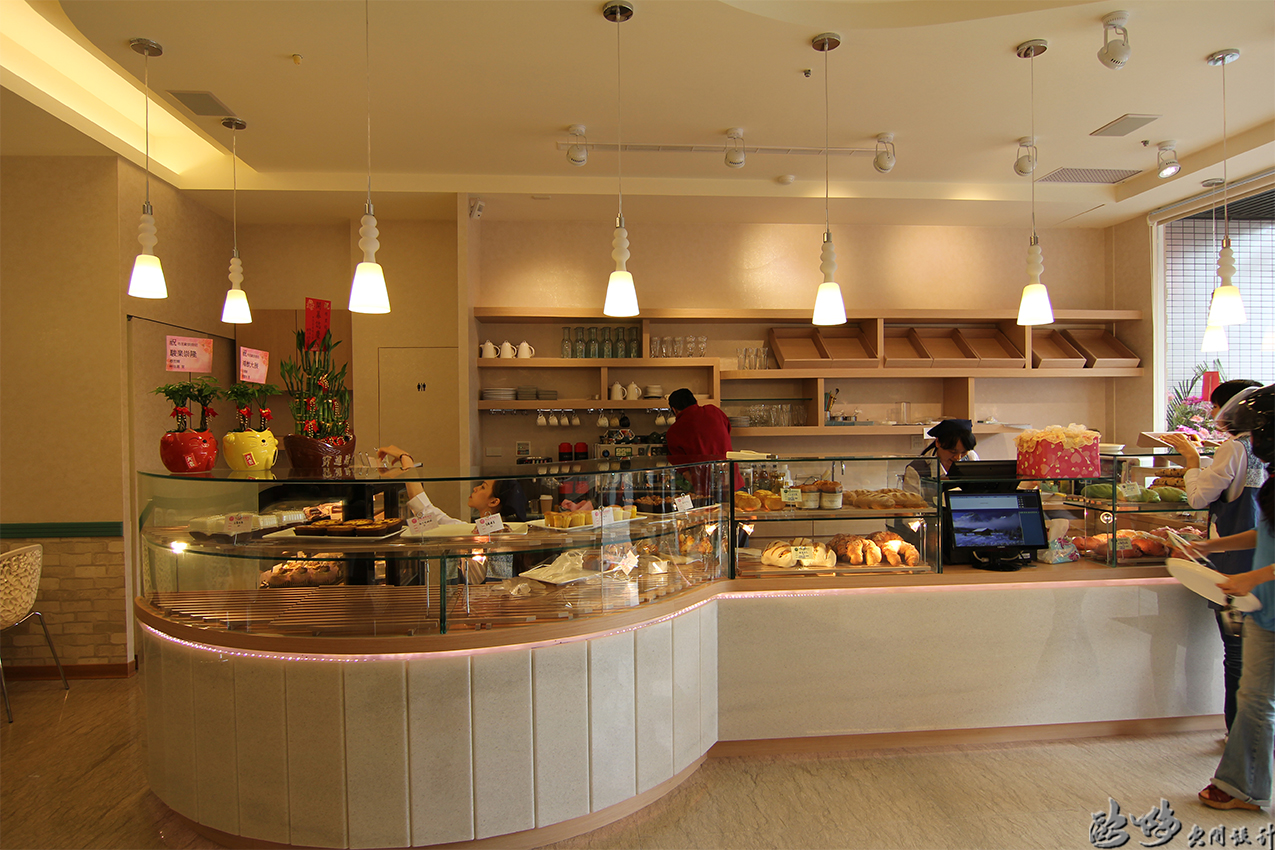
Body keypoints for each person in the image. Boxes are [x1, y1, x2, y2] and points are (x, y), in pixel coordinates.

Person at [1185, 384, 1274, 811]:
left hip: (1264, 596)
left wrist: (1251, 577)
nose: (1250, 442)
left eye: (1255, 433)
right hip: (1265, 604)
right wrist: (1210, 546)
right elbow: (1266, 533)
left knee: (1256, 697)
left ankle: (1240, 785)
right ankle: (1242, 785)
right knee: (1255, 697)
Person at [1162, 379, 1265, 735]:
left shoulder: (1235, 448)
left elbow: (1197, 498)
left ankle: (1239, 736)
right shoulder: (1258, 451)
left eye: (1217, 407)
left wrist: (1192, 460)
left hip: (1237, 565)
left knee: (1237, 655)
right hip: (1261, 561)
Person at [377, 445, 526, 581]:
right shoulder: (463, 531)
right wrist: (406, 459)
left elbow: (497, 589)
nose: (475, 488)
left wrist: (405, 458)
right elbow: (423, 508)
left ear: (494, 502)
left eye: (482, 487)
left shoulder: (502, 541)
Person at [664, 388, 741, 495]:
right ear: (695, 401)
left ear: (674, 409)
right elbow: (728, 430)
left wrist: (700, 489)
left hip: (707, 488)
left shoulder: (674, 432)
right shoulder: (714, 411)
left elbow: (685, 472)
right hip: (733, 481)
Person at [902, 419, 979, 495]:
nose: (958, 457)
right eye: (952, 451)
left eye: (963, 452)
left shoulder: (971, 457)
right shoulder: (916, 470)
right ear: (938, 442)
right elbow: (912, 501)